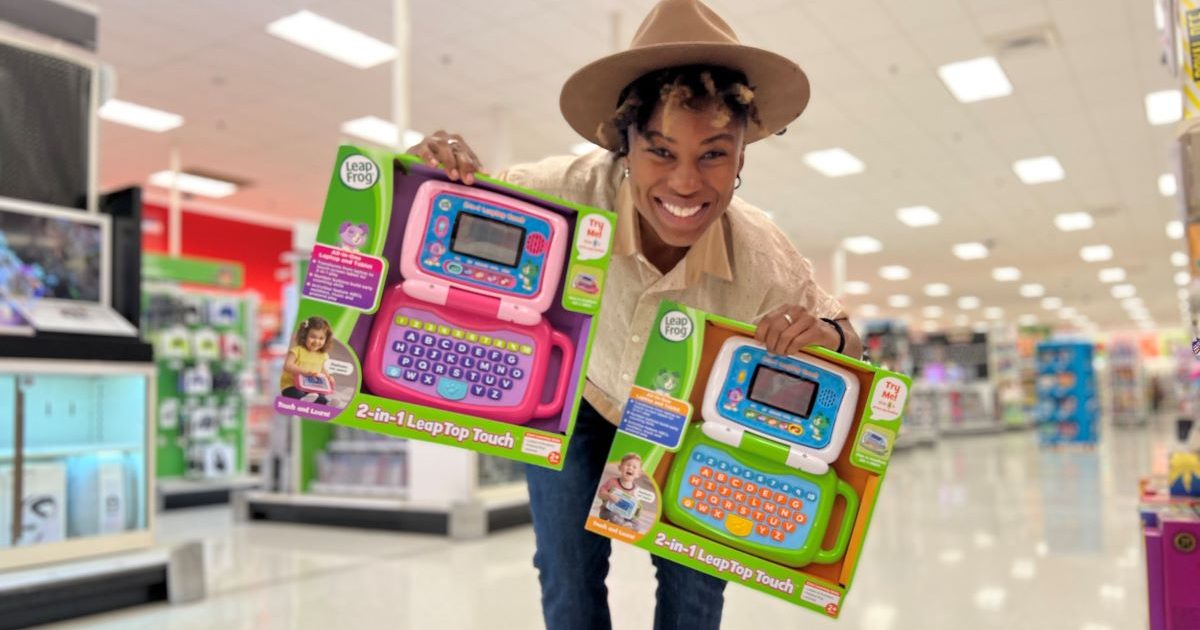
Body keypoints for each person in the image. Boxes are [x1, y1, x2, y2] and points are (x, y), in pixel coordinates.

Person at [408, 2, 863, 627]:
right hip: (578, 396)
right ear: (623, 143)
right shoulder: (558, 193)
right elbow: (444, 210)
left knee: (696, 584)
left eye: (713, 155)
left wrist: (831, 333)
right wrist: (423, 176)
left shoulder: (762, 254)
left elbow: (849, 339)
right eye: (660, 151)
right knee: (567, 571)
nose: (684, 183)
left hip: (682, 417)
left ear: (741, 158)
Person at [280, 316, 335, 405]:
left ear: (326, 339)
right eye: (313, 337)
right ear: (304, 335)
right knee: (296, 393)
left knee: (320, 396)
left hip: (312, 387)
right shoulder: (297, 350)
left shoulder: (323, 355)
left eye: (321, 338)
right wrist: (305, 372)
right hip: (292, 385)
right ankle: (302, 401)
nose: (317, 341)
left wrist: (329, 377)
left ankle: (326, 403)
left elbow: (322, 369)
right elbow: (288, 365)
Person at [596, 453, 644, 528]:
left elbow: (638, 508)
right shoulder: (612, 482)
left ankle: (627, 525)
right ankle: (622, 525)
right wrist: (609, 496)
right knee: (615, 517)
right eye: (628, 465)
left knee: (637, 525)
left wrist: (637, 509)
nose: (630, 468)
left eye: (634, 467)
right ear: (620, 467)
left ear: (638, 474)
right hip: (608, 511)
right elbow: (600, 494)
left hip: (626, 515)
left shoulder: (637, 490)